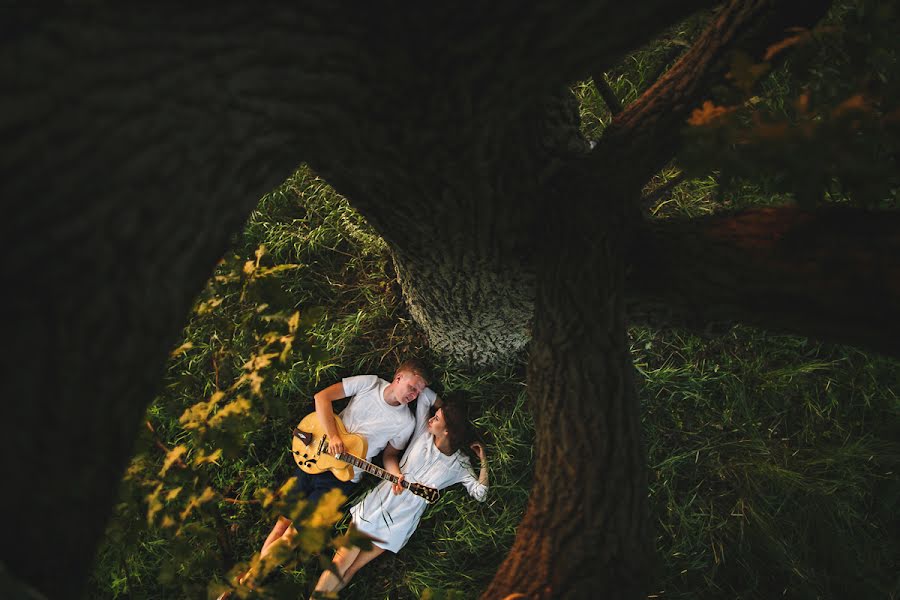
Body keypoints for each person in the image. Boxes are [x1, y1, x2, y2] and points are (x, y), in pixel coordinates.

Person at [229, 359, 430, 593]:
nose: (414, 395)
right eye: (413, 387)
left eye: (419, 392)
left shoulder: (405, 422)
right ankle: (251, 583)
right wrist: (334, 437)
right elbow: (321, 398)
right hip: (314, 458)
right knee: (282, 522)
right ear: (399, 378)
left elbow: (389, 456)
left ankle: (244, 585)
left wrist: (396, 475)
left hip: (341, 479)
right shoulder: (369, 384)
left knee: (295, 534)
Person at [313, 389, 489, 596]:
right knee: (341, 560)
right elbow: (425, 396)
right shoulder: (423, 433)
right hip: (381, 503)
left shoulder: (460, 465)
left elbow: (480, 493)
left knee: (352, 567)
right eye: (435, 414)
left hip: (401, 520)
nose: (432, 418)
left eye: (438, 418)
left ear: (448, 430)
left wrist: (483, 460)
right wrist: (449, 410)